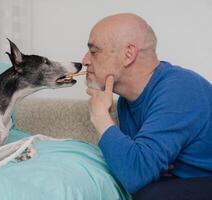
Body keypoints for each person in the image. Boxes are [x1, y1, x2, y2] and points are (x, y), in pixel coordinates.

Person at [83, 13, 212, 199]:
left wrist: (101, 118)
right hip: (194, 182)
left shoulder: (179, 90)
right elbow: (136, 168)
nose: (85, 60)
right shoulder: (126, 102)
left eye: (94, 51)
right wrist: (146, 167)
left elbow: (135, 175)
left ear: (128, 54)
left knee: (152, 195)